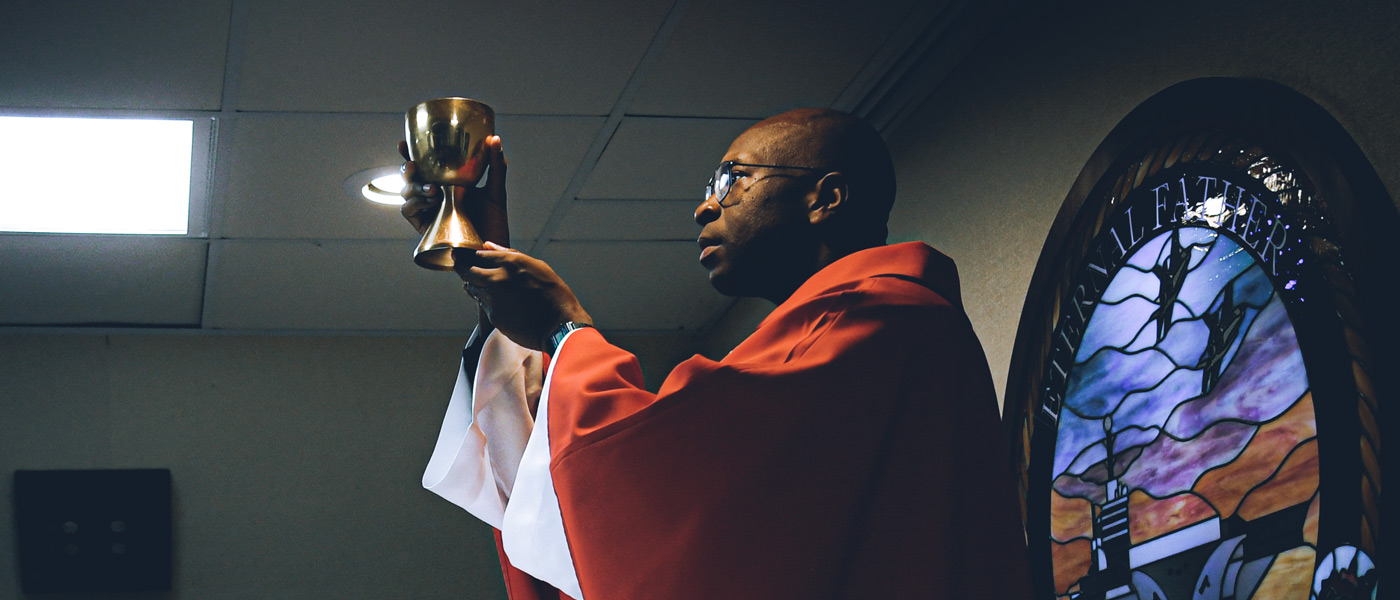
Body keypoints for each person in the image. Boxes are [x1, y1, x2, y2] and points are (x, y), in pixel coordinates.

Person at [401, 108, 1033, 600]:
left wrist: (565, 330)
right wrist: (488, 277)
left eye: (734, 179)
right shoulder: (847, 333)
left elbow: (661, 496)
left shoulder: (890, 326)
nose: (705, 204)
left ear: (826, 197)